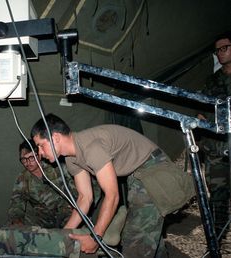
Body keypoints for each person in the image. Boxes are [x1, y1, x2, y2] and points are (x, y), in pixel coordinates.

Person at [31, 114, 195, 258]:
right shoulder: (71, 158)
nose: (39, 153)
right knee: (148, 239)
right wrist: (63, 234)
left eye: (40, 145)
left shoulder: (91, 147)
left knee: (135, 241)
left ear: (56, 137)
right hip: (138, 176)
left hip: (154, 171)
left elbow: (112, 195)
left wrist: (96, 237)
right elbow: (85, 198)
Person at [198, 31, 231, 238]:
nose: (220, 53)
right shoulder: (212, 81)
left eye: (224, 48)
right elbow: (201, 111)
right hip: (217, 148)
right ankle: (217, 240)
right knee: (217, 197)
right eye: (217, 50)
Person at [7, 139, 79, 228]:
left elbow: (77, 187)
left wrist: (76, 206)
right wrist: (16, 220)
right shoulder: (22, 178)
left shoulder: (56, 167)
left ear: (39, 155)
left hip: (66, 212)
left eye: (32, 158)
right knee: (17, 227)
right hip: (43, 218)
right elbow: (16, 201)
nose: (28, 163)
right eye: (24, 159)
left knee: (78, 230)